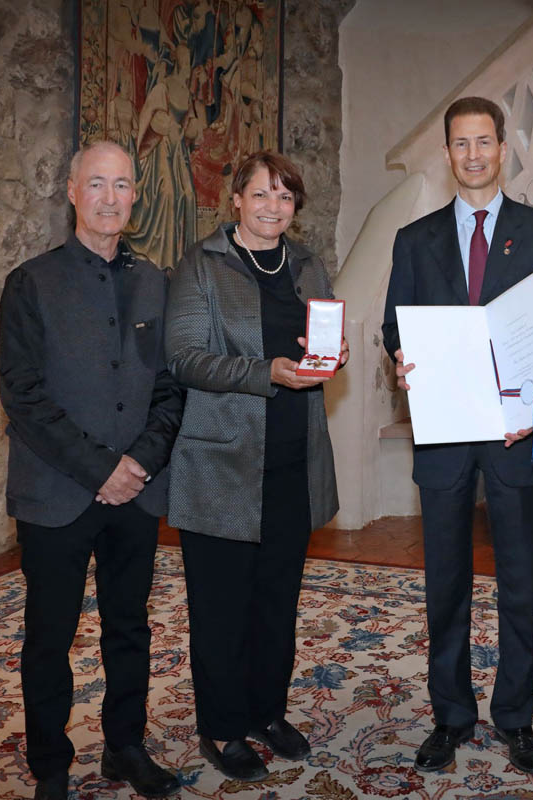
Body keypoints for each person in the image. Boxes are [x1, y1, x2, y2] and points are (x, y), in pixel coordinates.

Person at [381, 96, 533, 775]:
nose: (473, 154)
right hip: (443, 434)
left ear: (504, 149)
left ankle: (516, 718)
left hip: (513, 433)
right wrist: (402, 363)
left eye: (484, 142)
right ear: (447, 154)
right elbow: (394, 329)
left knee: (519, 580)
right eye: (460, 143)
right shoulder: (414, 240)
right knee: (446, 580)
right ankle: (451, 715)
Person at [0, 141, 183, 800]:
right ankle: (50, 764)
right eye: (97, 183)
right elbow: (23, 397)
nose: (110, 197)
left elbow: (170, 387)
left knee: (129, 626)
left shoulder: (156, 281)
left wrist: (140, 462)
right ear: (72, 192)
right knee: (50, 634)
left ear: (136, 196)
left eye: (122, 185)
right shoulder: (30, 283)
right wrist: (102, 468)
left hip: (137, 492)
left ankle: (125, 747)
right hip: (56, 495)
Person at [165, 150, 346, 782]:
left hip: (293, 461)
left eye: (286, 197)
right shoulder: (201, 265)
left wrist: (332, 353)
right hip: (221, 465)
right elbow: (184, 357)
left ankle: (268, 711)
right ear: (235, 199)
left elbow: (317, 342)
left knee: (277, 602)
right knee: (220, 609)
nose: (274, 207)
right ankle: (221, 725)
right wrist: (262, 372)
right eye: (261, 195)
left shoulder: (306, 264)